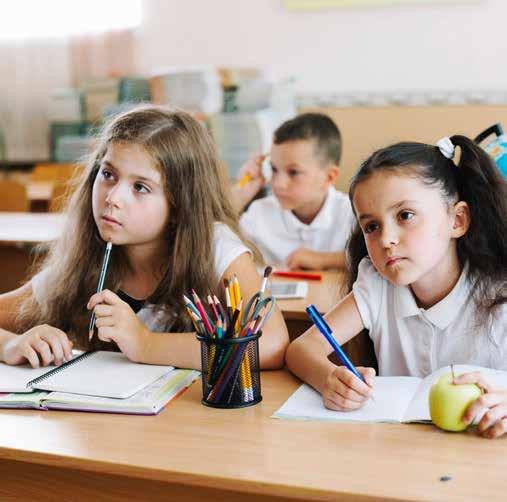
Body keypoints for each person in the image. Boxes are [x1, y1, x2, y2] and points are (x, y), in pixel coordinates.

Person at [0, 106, 288, 371]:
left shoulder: (215, 246)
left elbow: (272, 344)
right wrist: (9, 344)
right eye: (108, 174)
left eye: (140, 187)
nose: (113, 198)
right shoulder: (85, 257)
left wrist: (145, 344)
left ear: (180, 205)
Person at [286, 135, 507, 438]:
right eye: (371, 226)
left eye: (405, 216)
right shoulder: (377, 286)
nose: (386, 239)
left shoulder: (499, 293)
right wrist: (329, 378)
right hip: (397, 453)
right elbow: (302, 348)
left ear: (457, 220)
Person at [232, 113, 354, 270]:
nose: (278, 183)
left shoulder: (350, 213)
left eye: (293, 172)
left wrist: (324, 260)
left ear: (329, 177)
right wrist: (239, 195)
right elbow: (215, 244)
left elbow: (373, 257)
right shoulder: (259, 213)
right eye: (274, 169)